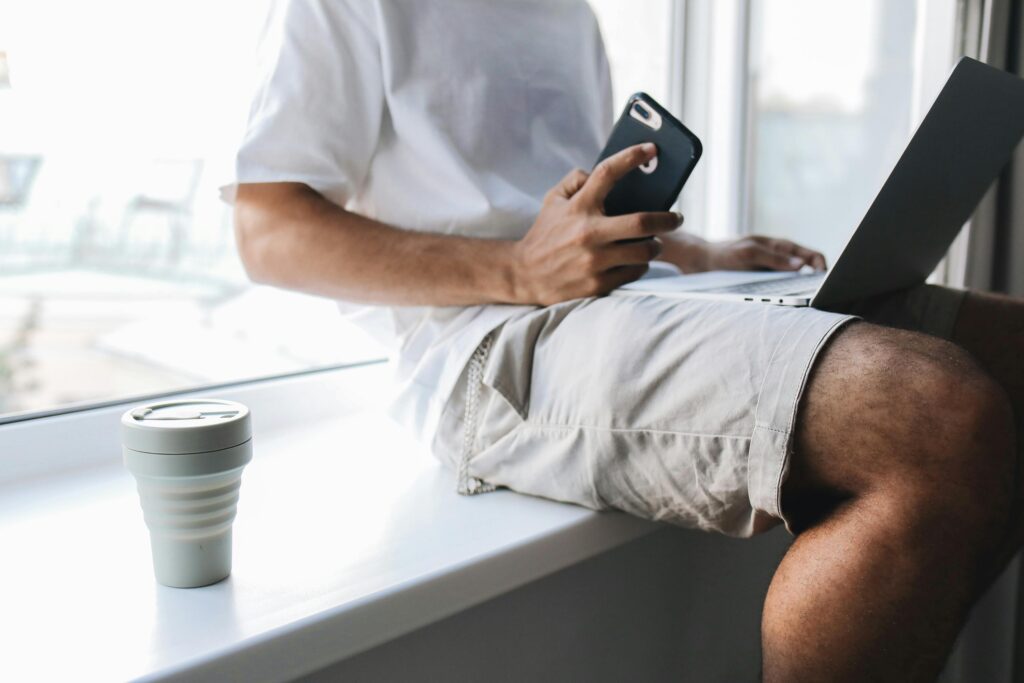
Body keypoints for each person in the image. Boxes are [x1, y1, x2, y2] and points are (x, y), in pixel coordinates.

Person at [227, 1, 1024, 680]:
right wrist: (516, 270)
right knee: (933, 414)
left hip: (620, 301)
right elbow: (266, 230)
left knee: (1013, 348)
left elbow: (569, 214)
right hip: (489, 346)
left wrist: (698, 254)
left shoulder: (565, 11)